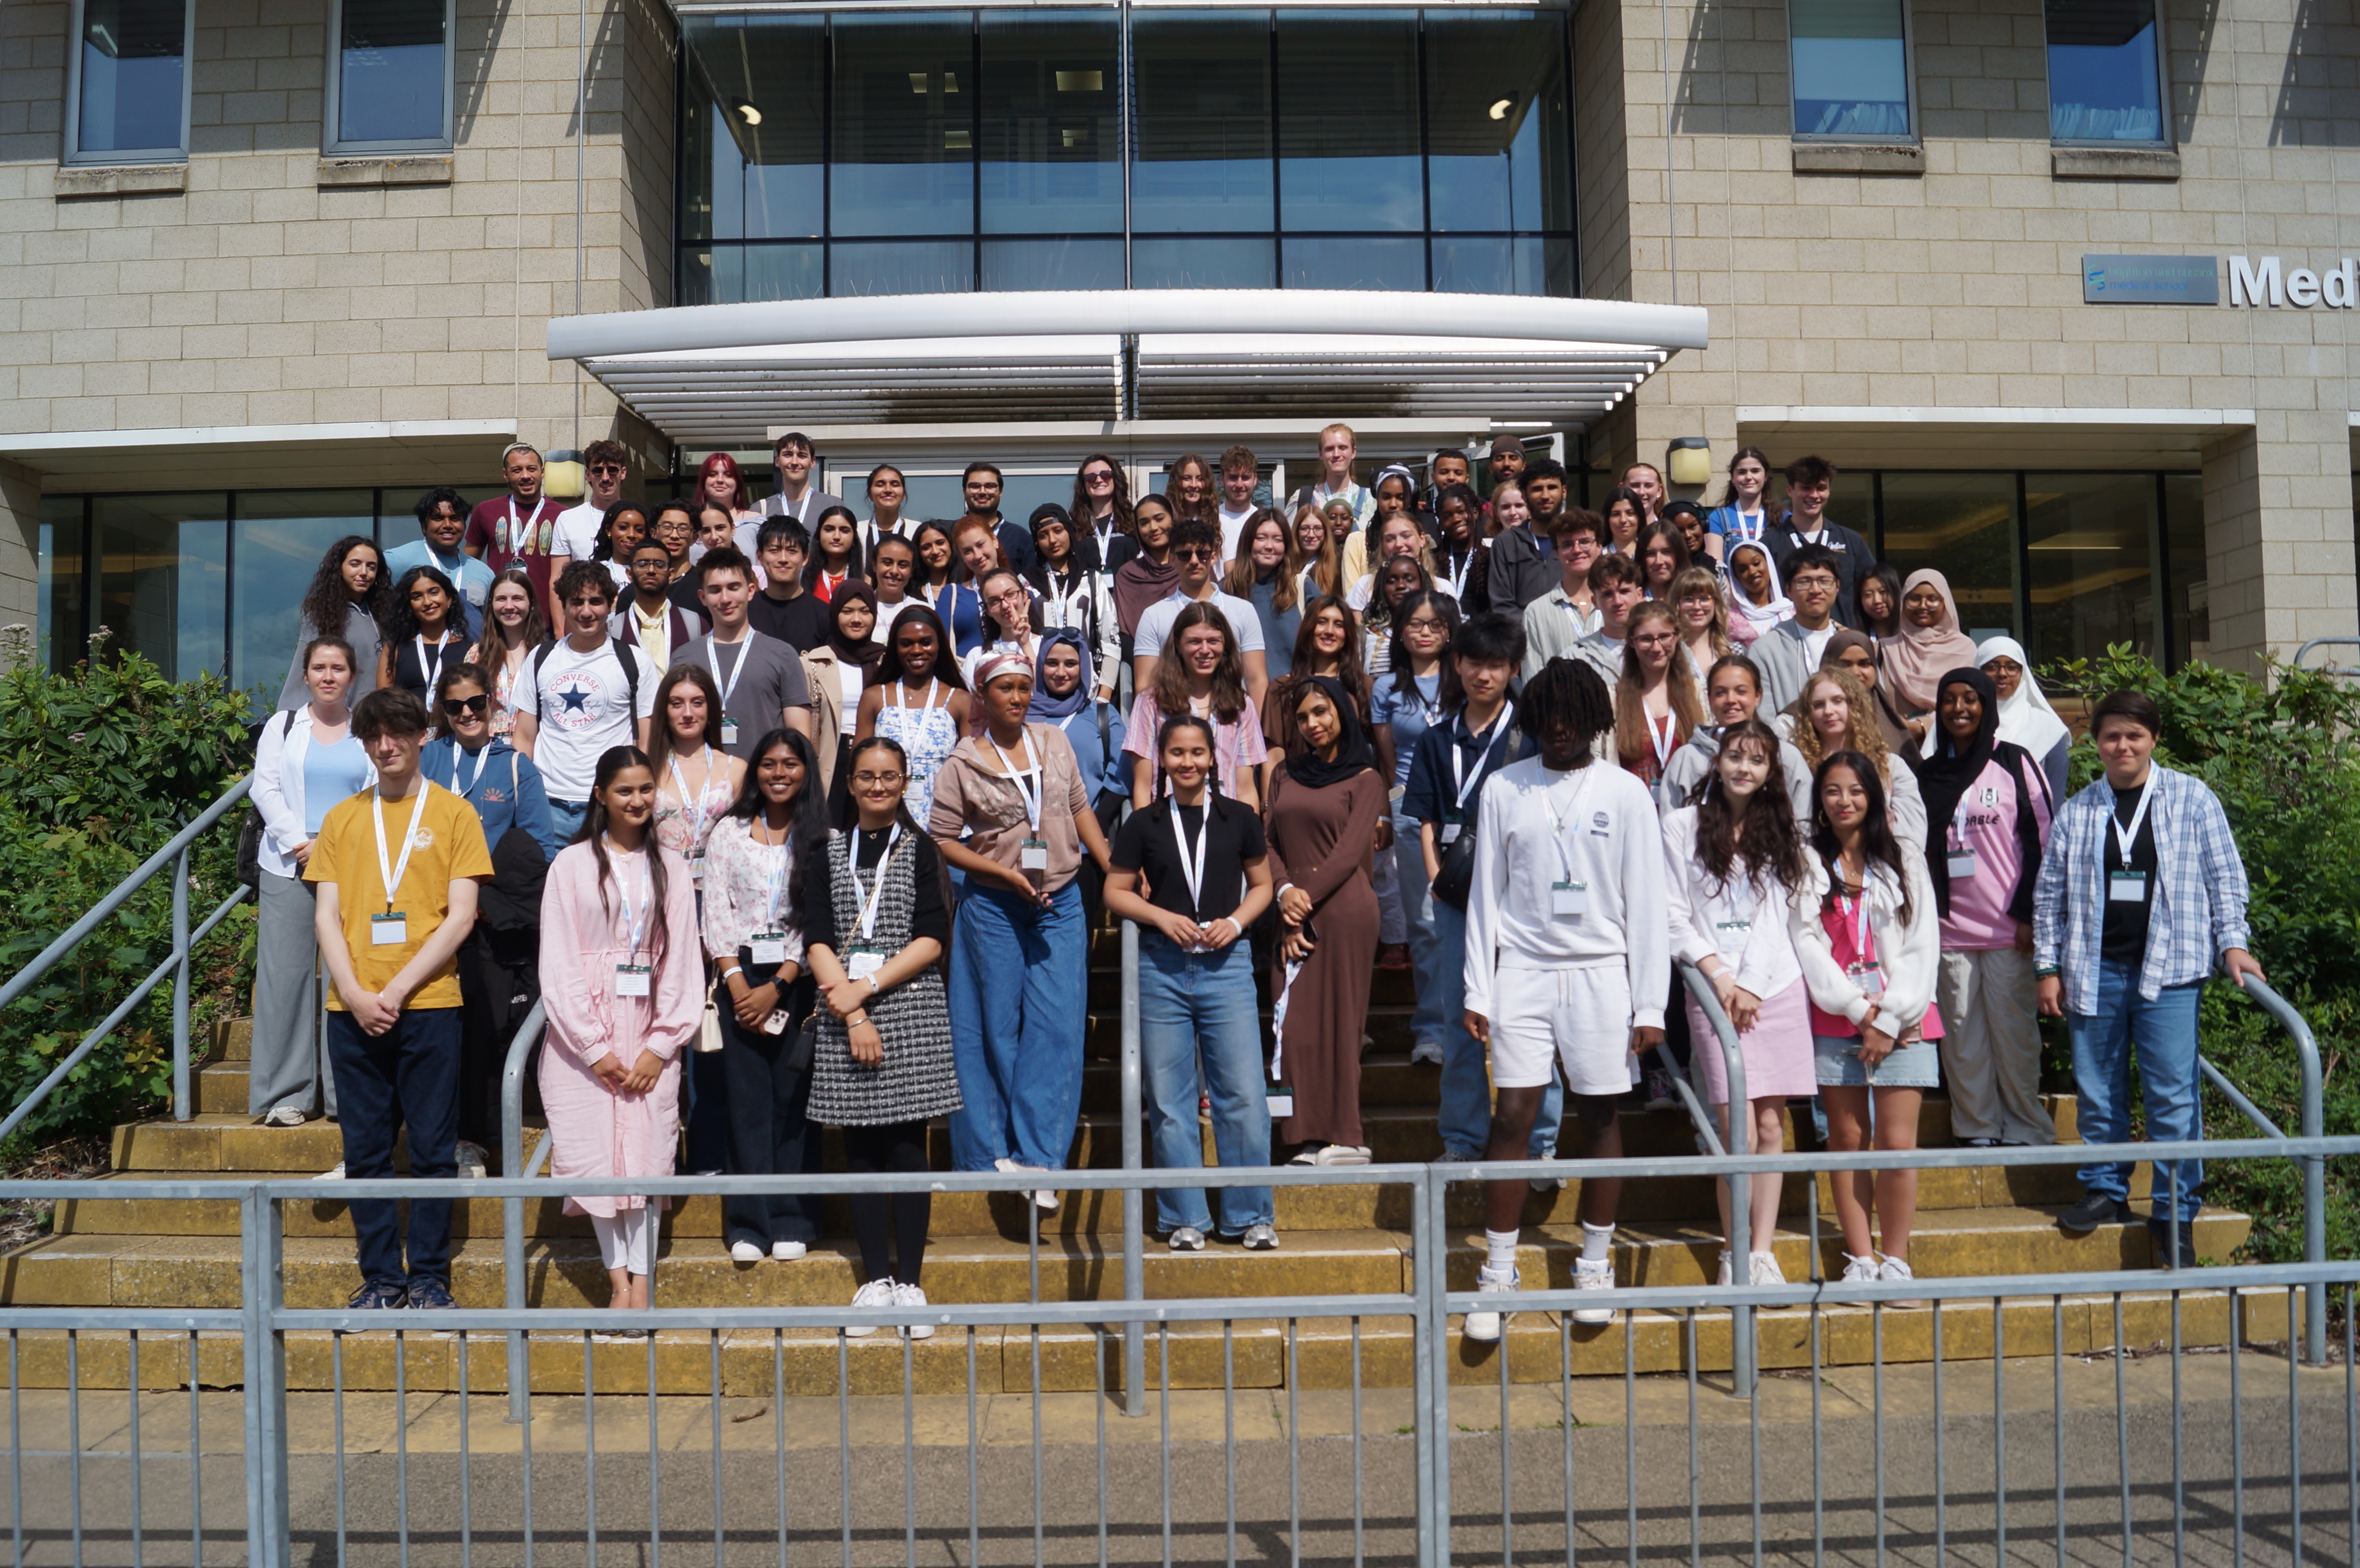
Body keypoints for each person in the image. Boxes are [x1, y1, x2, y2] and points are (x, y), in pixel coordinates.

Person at [1460, 659, 1668, 1341]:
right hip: (1522, 968)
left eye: (1571, 718)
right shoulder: (1503, 788)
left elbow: (1647, 904)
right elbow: (1485, 896)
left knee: (1601, 1113)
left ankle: (1596, 1262)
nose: (1557, 728)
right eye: (1547, 718)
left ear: (1595, 721)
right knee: (1514, 1112)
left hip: (1603, 972)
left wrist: (1650, 1004)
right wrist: (1477, 988)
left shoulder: (1627, 793)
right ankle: (1497, 1271)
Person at [2034, 689, 2261, 1269]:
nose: (2122, 746)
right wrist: (2047, 967)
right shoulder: (2079, 809)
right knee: (2098, 1092)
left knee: (2170, 1097)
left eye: (2134, 735)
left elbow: (2224, 878)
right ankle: (2106, 1190)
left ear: (2153, 739)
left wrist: (2232, 942)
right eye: (2111, 736)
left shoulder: (2192, 798)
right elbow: (2049, 895)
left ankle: (2174, 1212)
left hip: (2172, 971)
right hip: (2094, 970)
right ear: (2097, 743)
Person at [306, 687, 492, 1310]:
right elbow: (326, 919)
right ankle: (382, 1278)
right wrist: (357, 993)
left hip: (431, 1003)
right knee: (364, 1152)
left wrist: (398, 988)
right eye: (374, 736)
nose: (386, 746)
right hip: (352, 1011)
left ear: (421, 738)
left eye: (398, 734)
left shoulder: (455, 814)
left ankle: (431, 1277)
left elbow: (461, 917)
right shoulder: (342, 819)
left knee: (435, 1151)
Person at [933, 652, 1113, 1207]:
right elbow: (943, 839)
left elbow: (1081, 808)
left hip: (1060, 900)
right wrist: (1001, 875)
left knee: (1057, 1026)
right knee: (989, 1027)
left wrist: (1114, 869)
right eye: (1004, 688)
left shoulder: (1054, 744)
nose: (1016, 697)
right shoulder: (962, 761)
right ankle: (986, 1155)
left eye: (1023, 687)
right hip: (993, 903)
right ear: (983, 696)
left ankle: (1039, 1159)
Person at [538, 745, 700, 1328]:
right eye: (624, 790)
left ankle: (644, 1276)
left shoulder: (673, 867)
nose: (637, 801)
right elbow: (556, 961)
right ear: (601, 796)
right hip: (584, 1046)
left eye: (645, 789)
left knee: (648, 1158)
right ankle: (617, 1278)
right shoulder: (571, 865)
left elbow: (683, 957)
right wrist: (594, 1049)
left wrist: (662, 1045)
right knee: (597, 1161)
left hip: (650, 1032)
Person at [1106, 714, 1280, 1251]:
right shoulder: (1143, 823)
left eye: (1197, 753)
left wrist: (1235, 922)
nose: (1188, 763)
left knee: (1244, 1095)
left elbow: (1263, 885)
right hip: (1163, 966)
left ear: (1214, 758)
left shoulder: (1239, 817)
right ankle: (1185, 1217)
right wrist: (1159, 916)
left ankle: (1250, 1215)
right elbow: (1116, 892)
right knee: (1170, 1100)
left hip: (1226, 965)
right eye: (1177, 753)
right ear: (1162, 760)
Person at [804, 736, 958, 1332]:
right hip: (847, 1014)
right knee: (862, 1150)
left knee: (905, 1149)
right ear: (850, 784)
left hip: (908, 1009)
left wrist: (862, 993)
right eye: (866, 776)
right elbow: (817, 936)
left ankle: (912, 1283)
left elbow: (931, 938)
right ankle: (874, 1281)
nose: (877, 786)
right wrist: (850, 1011)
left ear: (904, 782)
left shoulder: (921, 850)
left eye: (889, 777)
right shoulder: (826, 852)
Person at [1664, 720, 1816, 1286]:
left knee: (1771, 1128)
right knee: (1736, 1131)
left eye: (1756, 760)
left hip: (1774, 987)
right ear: (1717, 761)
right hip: (1710, 989)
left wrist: (1750, 982)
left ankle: (1762, 1251)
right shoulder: (1680, 826)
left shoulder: (1782, 832)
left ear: (1771, 770)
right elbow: (1672, 913)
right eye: (1734, 756)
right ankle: (1733, 1249)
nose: (1743, 768)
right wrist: (1721, 978)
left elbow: (1780, 917)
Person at [1402, 613, 1550, 1164]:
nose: (1483, 675)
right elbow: (1421, 816)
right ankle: (1462, 1141)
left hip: (1521, 896)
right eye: (1473, 663)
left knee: (1529, 1021)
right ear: (1456, 664)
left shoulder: (1531, 740)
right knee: (1459, 1021)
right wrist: (1437, 879)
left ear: (1514, 669)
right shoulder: (1438, 739)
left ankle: (1539, 1146)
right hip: (1456, 895)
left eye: (1495, 665)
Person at [1791, 750, 1942, 1294]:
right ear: (1819, 801)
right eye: (1832, 791)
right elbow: (1806, 945)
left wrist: (1890, 1015)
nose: (1844, 801)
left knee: (1898, 1143)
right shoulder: (1806, 860)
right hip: (1838, 1018)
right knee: (1848, 1141)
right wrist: (1857, 1010)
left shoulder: (1904, 857)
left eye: (1855, 790)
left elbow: (1924, 943)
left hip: (1905, 1020)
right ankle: (1860, 1258)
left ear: (1874, 797)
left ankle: (1896, 1259)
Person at [420, 662, 559, 1171]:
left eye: (476, 703)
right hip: (431, 918)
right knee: (438, 1028)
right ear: (443, 709)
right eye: (455, 706)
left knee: (486, 1026)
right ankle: (444, 1132)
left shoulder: (517, 766)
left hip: (491, 921)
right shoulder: (426, 760)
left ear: (491, 705)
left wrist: (486, 897)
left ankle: (479, 1134)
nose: (467, 714)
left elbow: (539, 845)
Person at [701, 729, 827, 1263]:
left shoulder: (823, 836)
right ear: (755, 771)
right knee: (747, 1103)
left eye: (791, 764)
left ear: (806, 772)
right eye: (770, 763)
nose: (779, 773)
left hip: (798, 979)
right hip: (740, 974)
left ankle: (793, 1217)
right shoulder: (728, 832)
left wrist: (781, 984)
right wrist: (738, 983)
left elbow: (818, 914)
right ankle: (749, 1224)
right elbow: (717, 909)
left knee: (793, 1103)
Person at [1918, 666, 2056, 1150]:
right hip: (1948, 930)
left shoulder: (2016, 762)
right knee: (1961, 1038)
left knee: (2015, 1039)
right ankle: (1977, 1128)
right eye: (1949, 699)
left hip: (2007, 931)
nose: (1959, 708)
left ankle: (2025, 1129)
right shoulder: (1926, 773)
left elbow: (2042, 843)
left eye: (1970, 699)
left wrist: (2028, 915)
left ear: (1987, 707)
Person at [1263, 677, 1387, 1166]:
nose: (1312, 724)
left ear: (1341, 712)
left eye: (1321, 713)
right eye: (1302, 718)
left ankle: (1346, 1135)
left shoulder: (1365, 778)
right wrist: (1283, 893)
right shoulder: (1284, 774)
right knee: (1292, 1027)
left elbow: (1348, 853)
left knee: (1341, 1023)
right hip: (1291, 907)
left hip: (1344, 912)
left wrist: (1301, 901)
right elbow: (1267, 840)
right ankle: (1304, 1135)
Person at [250, 636, 373, 1128]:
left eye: (338, 668)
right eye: (319, 668)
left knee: (349, 980)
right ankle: (287, 1095)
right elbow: (265, 786)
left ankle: (349, 1095)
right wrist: (300, 840)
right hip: (289, 864)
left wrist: (334, 847)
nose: (328, 676)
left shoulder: (367, 730)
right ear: (305, 676)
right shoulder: (283, 726)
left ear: (352, 675)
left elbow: (375, 791)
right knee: (287, 981)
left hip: (351, 867)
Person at [510, 561, 662, 842]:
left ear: (610, 604)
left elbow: (648, 741)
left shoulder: (635, 661)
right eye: (576, 602)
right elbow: (524, 737)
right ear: (564, 604)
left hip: (610, 805)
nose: (586, 612)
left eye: (596, 602)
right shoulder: (541, 658)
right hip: (547, 803)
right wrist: (523, 795)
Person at [1372, 589, 1458, 1021]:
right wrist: (1391, 808)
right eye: (1416, 624)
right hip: (1410, 810)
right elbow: (1388, 761)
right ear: (1401, 633)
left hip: (1461, 810)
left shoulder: (1463, 679)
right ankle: (1431, 1027)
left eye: (1436, 625)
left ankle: (1472, 1017)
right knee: (1423, 924)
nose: (1425, 633)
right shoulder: (1386, 687)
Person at [681, 546, 817, 765]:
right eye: (715, 590)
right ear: (702, 597)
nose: (725, 599)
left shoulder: (782, 655)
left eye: (734, 587)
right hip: (701, 787)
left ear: (751, 590)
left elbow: (799, 736)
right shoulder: (684, 659)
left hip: (764, 785)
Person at [1125, 601, 1267, 810]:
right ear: (1178, 645)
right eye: (1194, 642)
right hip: (1168, 822)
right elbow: (1143, 786)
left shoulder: (1241, 704)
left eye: (1213, 641)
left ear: (1225, 645)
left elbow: (1245, 789)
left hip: (1225, 822)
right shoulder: (1150, 703)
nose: (1205, 650)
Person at [1131, 518, 1270, 711]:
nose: (1195, 561)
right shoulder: (1154, 616)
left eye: (1202, 553)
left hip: (1231, 721)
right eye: (1185, 555)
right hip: (1175, 727)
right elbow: (1145, 687)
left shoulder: (1243, 610)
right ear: (1173, 559)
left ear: (1214, 557)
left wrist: (1259, 735)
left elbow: (1256, 681)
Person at [1656, 654, 1815, 822]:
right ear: (1709, 698)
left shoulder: (1786, 756)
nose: (1731, 700)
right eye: (1721, 693)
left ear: (1758, 696)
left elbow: (1804, 824)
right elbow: (1669, 824)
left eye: (1741, 691)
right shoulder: (1686, 759)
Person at [858, 605, 971, 829]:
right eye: (907, 643)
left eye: (926, 642)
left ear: (939, 645)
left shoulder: (959, 700)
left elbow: (971, 769)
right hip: (887, 819)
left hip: (944, 823)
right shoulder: (874, 697)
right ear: (895, 648)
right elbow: (860, 765)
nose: (917, 650)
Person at [1786, 667, 1928, 844]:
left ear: (1855, 705)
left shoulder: (1889, 765)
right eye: (1818, 705)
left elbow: (1913, 833)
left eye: (1838, 701)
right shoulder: (1796, 767)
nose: (1829, 711)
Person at [1262, 596, 1374, 796]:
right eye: (1322, 622)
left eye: (1338, 625)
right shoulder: (1282, 689)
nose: (1329, 631)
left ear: (1347, 633)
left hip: (1353, 795)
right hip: (1299, 796)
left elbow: (1377, 756)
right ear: (1308, 628)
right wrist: (1269, 807)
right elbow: (1274, 758)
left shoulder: (1364, 686)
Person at [278, 536, 388, 711]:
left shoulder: (384, 616)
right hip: (339, 722)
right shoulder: (321, 616)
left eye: (371, 567)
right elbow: (303, 670)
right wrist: (290, 720)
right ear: (339, 569)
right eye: (355, 564)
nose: (364, 572)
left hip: (379, 720)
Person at [1767, 456, 1877, 628]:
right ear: (1790, 490)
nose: (1814, 495)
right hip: (1791, 644)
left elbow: (1873, 591)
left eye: (1821, 488)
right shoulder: (1769, 544)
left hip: (1844, 645)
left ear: (1829, 491)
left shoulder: (1851, 541)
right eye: (1806, 488)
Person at [465, 443, 567, 625]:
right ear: (506, 474)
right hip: (500, 620)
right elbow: (467, 565)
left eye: (532, 469)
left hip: (547, 623)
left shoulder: (564, 516)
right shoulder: (486, 511)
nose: (526, 476)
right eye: (517, 470)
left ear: (543, 472)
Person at [1027, 503, 1121, 701]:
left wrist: (1104, 696)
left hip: (1088, 694)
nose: (1052, 540)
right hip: (1038, 693)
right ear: (1036, 542)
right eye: (1043, 535)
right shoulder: (1024, 583)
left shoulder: (1093, 581)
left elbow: (1110, 640)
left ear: (1070, 532)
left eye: (1058, 531)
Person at [1612, 601, 1704, 793]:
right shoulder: (1614, 698)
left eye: (1664, 637)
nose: (1656, 648)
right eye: (1646, 639)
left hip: (1685, 808)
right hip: (1633, 810)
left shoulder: (1697, 692)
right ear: (1631, 641)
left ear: (1677, 637)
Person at [1880, 570, 1981, 742]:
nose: (1923, 606)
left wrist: (1922, 726)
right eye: (1915, 599)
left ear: (1945, 603)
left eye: (1933, 599)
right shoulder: (1883, 650)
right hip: (1895, 748)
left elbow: (1972, 703)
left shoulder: (1966, 650)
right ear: (1903, 602)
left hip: (1949, 745)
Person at [383, 486, 493, 643]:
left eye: (455, 518)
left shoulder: (484, 572)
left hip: (471, 662)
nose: (448, 525)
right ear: (423, 526)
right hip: (419, 661)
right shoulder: (399, 560)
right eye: (438, 518)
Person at [1746, 543, 1846, 713]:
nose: (1816, 590)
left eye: (1824, 581)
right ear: (1788, 590)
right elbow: (1765, 719)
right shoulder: (1765, 650)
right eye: (1804, 582)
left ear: (1837, 586)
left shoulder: (1851, 645)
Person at [803, 582, 883, 794]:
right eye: (847, 611)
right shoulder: (814, 662)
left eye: (865, 612)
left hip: (877, 758)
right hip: (832, 758)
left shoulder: (886, 662)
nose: (856, 619)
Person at [1977, 636, 2071, 805]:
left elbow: (2054, 799)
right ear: (1978, 671)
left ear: (2023, 673)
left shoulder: (2047, 728)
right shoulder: (1961, 722)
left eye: (2012, 668)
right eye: (1992, 667)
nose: (2002, 674)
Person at [1520, 509, 1605, 675]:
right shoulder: (1537, 613)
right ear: (1557, 553)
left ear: (1599, 547)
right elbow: (1533, 680)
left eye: (1585, 541)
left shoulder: (1619, 604)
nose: (1577, 550)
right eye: (1567, 544)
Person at [1222, 509, 1304, 682]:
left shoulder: (1302, 588)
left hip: (1294, 696)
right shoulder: (1225, 591)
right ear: (1248, 542)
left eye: (1278, 539)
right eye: (1261, 538)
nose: (1269, 546)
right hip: (1241, 700)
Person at [466, 566, 547, 740]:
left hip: (534, 745)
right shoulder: (476, 655)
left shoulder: (547, 654)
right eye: (501, 599)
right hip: (489, 750)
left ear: (531, 604)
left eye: (517, 599)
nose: (509, 607)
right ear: (491, 604)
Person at [610, 539, 707, 670]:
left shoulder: (696, 625)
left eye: (660, 565)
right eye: (643, 564)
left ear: (671, 575)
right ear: (630, 574)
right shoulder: (613, 630)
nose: (651, 570)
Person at [379, 565, 468, 704]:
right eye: (417, 597)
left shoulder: (471, 650)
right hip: (407, 725)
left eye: (434, 593)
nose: (427, 602)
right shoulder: (394, 649)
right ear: (409, 605)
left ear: (449, 598)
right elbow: (383, 704)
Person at [747, 518, 832, 653]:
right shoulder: (745, 611)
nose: (783, 559)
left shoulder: (824, 615)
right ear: (760, 557)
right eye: (774, 551)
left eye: (792, 551)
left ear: (805, 558)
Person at [1823, 629, 1916, 753]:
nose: (1856, 672)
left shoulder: (1887, 717)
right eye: (1845, 665)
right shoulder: (1799, 718)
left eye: (1864, 664)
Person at [1567, 552, 1647, 691]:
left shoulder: (1666, 648)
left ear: (1639, 595)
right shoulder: (1576, 657)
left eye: (1624, 591)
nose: (1618, 602)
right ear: (1595, 602)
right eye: (1608, 594)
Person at [1485, 475, 1561, 619]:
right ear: (1496, 512)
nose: (1513, 513)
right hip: (1521, 630)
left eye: (1519, 506)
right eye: (1506, 507)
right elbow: (1501, 603)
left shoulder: (1563, 540)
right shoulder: (1498, 545)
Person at [552, 440, 631, 564]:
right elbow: (557, 579)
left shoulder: (637, 520)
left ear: (623, 473)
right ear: (588, 475)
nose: (605, 478)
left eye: (612, 470)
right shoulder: (568, 520)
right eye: (598, 471)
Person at [1281, 422, 1373, 529]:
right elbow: (1288, 542)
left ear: (1353, 452)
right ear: (1321, 454)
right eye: (1330, 449)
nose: (1336, 454)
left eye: (1342, 448)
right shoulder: (1303, 499)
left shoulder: (1372, 500)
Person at [961, 462, 1039, 575]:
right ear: (964, 491)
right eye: (975, 486)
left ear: (1001, 492)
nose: (983, 492)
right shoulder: (951, 535)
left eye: (990, 486)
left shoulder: (1020, 537)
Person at [757, 431, 843, 527]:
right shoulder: (761, 510)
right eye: (788, 455)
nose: (795, 462)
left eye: (802, 456)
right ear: (777, 461)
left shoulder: (833, 506)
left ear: (813, 462)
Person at [1704, 447, 1774, 564]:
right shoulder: (1718, 518)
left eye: (1755, 471)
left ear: (1766, 476)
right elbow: (1716, 568)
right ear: (1733, 478)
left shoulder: (1782, 518)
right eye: (1742, 472)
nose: (1749, 477)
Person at [1670, 565, 1733, 690]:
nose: (1697, 607)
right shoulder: (1670, 654)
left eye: (1704, 599)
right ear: (1677, 604)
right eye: (1688, 600)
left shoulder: (1734, 651)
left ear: (1716, 603)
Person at [1071, 453, 1136, 571]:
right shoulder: (1073, 524)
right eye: (1091, 478)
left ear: (1116, 479)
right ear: (1083, 485)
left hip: (1128, 588)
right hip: (1087, 589)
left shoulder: (1134, 519)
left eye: (1106, 475)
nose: (1099, 480)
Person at [1722, 539, 1792, 648]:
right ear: (1736, 577)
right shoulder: (1729, 619)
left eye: (1756, 564)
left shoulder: (1791, 612)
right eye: (1743, 570)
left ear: (1768, 563)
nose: (1752, 572)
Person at [1430, 483, 1489, 609]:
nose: (1456, 519)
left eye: (1462, 512)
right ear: (1440, 522)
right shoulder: (1432, 560)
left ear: (1475, 512)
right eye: (1447, 516)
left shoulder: (1491, 557)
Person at [803, 506, 865, 605]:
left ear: (854, 538)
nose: (837, 537)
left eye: (844, 531)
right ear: (819, 535)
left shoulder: (865, 582)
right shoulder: (804, 580)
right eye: (829, 529)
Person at [587, 502, 651, 592]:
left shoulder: (654, 571)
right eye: (623, 528)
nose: (632, 535)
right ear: (609, 530)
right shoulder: (594, 573)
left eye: (639, 530)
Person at [869, 533, 922, 642]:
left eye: (903, 565)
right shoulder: (860, 608)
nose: (894, 571)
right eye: (887, 563)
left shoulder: (921, 610)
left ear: (912, 571)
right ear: (874, 565)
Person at [1215, 444, 1261, 562]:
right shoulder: (1210, 520)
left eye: (1245, 478)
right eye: (1233, 478)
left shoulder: (1263, 522)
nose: (1239, 485)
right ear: (1222, 479)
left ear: (1255, 479)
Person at [1295, 504, 1349, 604]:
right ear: (1297, 531)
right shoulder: (1285, 563)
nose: (1311, 535)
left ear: (1326, 532)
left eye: (1318, 529)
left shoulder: (1339, 562)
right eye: (1305, 528)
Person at [859, 464, 912, 555]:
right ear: (870, 495)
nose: (888, 490)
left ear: (903, 495)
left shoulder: (916, 531)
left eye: (895, 485)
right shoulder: (857, 531)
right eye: (880, 485)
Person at [1635, 519, 1689, 600]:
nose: (1659, 561)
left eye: (1667, 552)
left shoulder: (1692, 598)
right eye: (1651, 554)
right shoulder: (1633, 600)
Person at [1855, 563, 1904, 644]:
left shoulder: (1912, 636)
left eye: (1883, 592)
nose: (1877, 601)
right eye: (1868, 595)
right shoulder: (1857, 641)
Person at [1166, 452, 1217, 526]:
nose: (1194, 485)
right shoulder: (1167, 522)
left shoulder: (1219, 521)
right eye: (1187, 479)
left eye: (1200, 479)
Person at [1599, 489, 1646, 556]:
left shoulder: (1649, 555)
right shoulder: (1598, 558)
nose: (1623, 520)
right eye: (1616, 514)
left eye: (1630, 513)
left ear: (1639, 517)